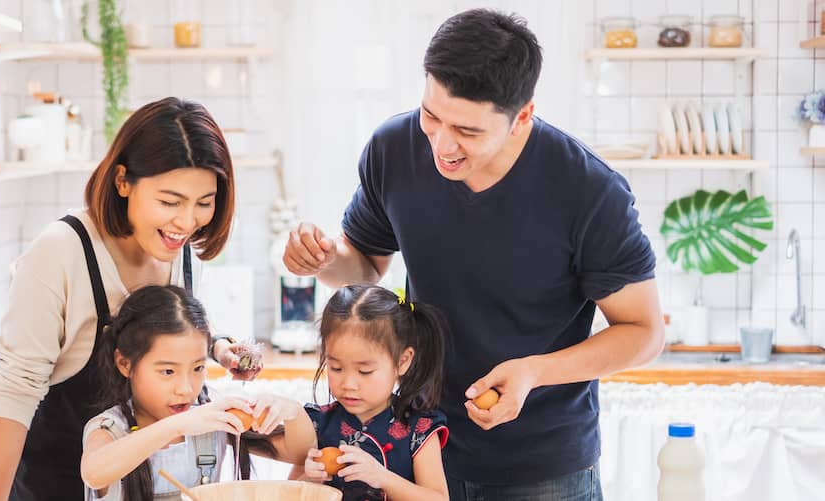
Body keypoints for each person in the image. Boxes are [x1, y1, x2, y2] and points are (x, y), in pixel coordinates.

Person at [282, 9, 664, 500]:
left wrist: (534, 372)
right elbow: (365, 266)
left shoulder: (588, 191)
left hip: (541, 465)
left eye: (467, 130)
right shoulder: (393, 149)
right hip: (417, 449)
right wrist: (324, 261)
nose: (441, 144)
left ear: (521, 116)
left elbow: (644, 333)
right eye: (431, 115)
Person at [0, 97, 262, 501]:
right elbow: (14, 396)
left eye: (204, 203)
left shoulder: (180, 252)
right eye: (169, 201)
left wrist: (216, 347)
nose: (186, 222)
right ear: (123, 181)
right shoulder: (61, 251)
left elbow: (164, 329)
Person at [81, 285, 316, 500]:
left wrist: (293, 412)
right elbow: (94, 473)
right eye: (167, 371)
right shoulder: (110, 429)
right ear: (125, 364)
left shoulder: (208, 424)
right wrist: (179, 425)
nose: (185, 388)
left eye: (198, 368)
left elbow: (301, 456)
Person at [291, 284, 450, 501]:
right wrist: (309, 480)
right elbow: (290, 492)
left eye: (364, 371)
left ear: (402, 361)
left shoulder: (418, 430)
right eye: (336, 368)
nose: (348, 383)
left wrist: (382, 478)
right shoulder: (317, 424)